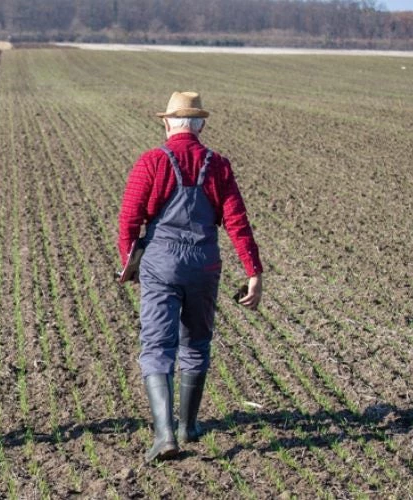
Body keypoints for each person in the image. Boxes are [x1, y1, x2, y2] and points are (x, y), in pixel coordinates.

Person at [117, 92, 264, 462]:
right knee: (196, 342)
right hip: (205, 264)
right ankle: (189, 425)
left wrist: (129, 264)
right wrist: (253, 271)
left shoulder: (152, 161)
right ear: (200, 125)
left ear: (167, 123)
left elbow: (130, 219)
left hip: (161, 263)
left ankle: (165, 435)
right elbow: (237, 222)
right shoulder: (218, 165)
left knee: (157, 346)